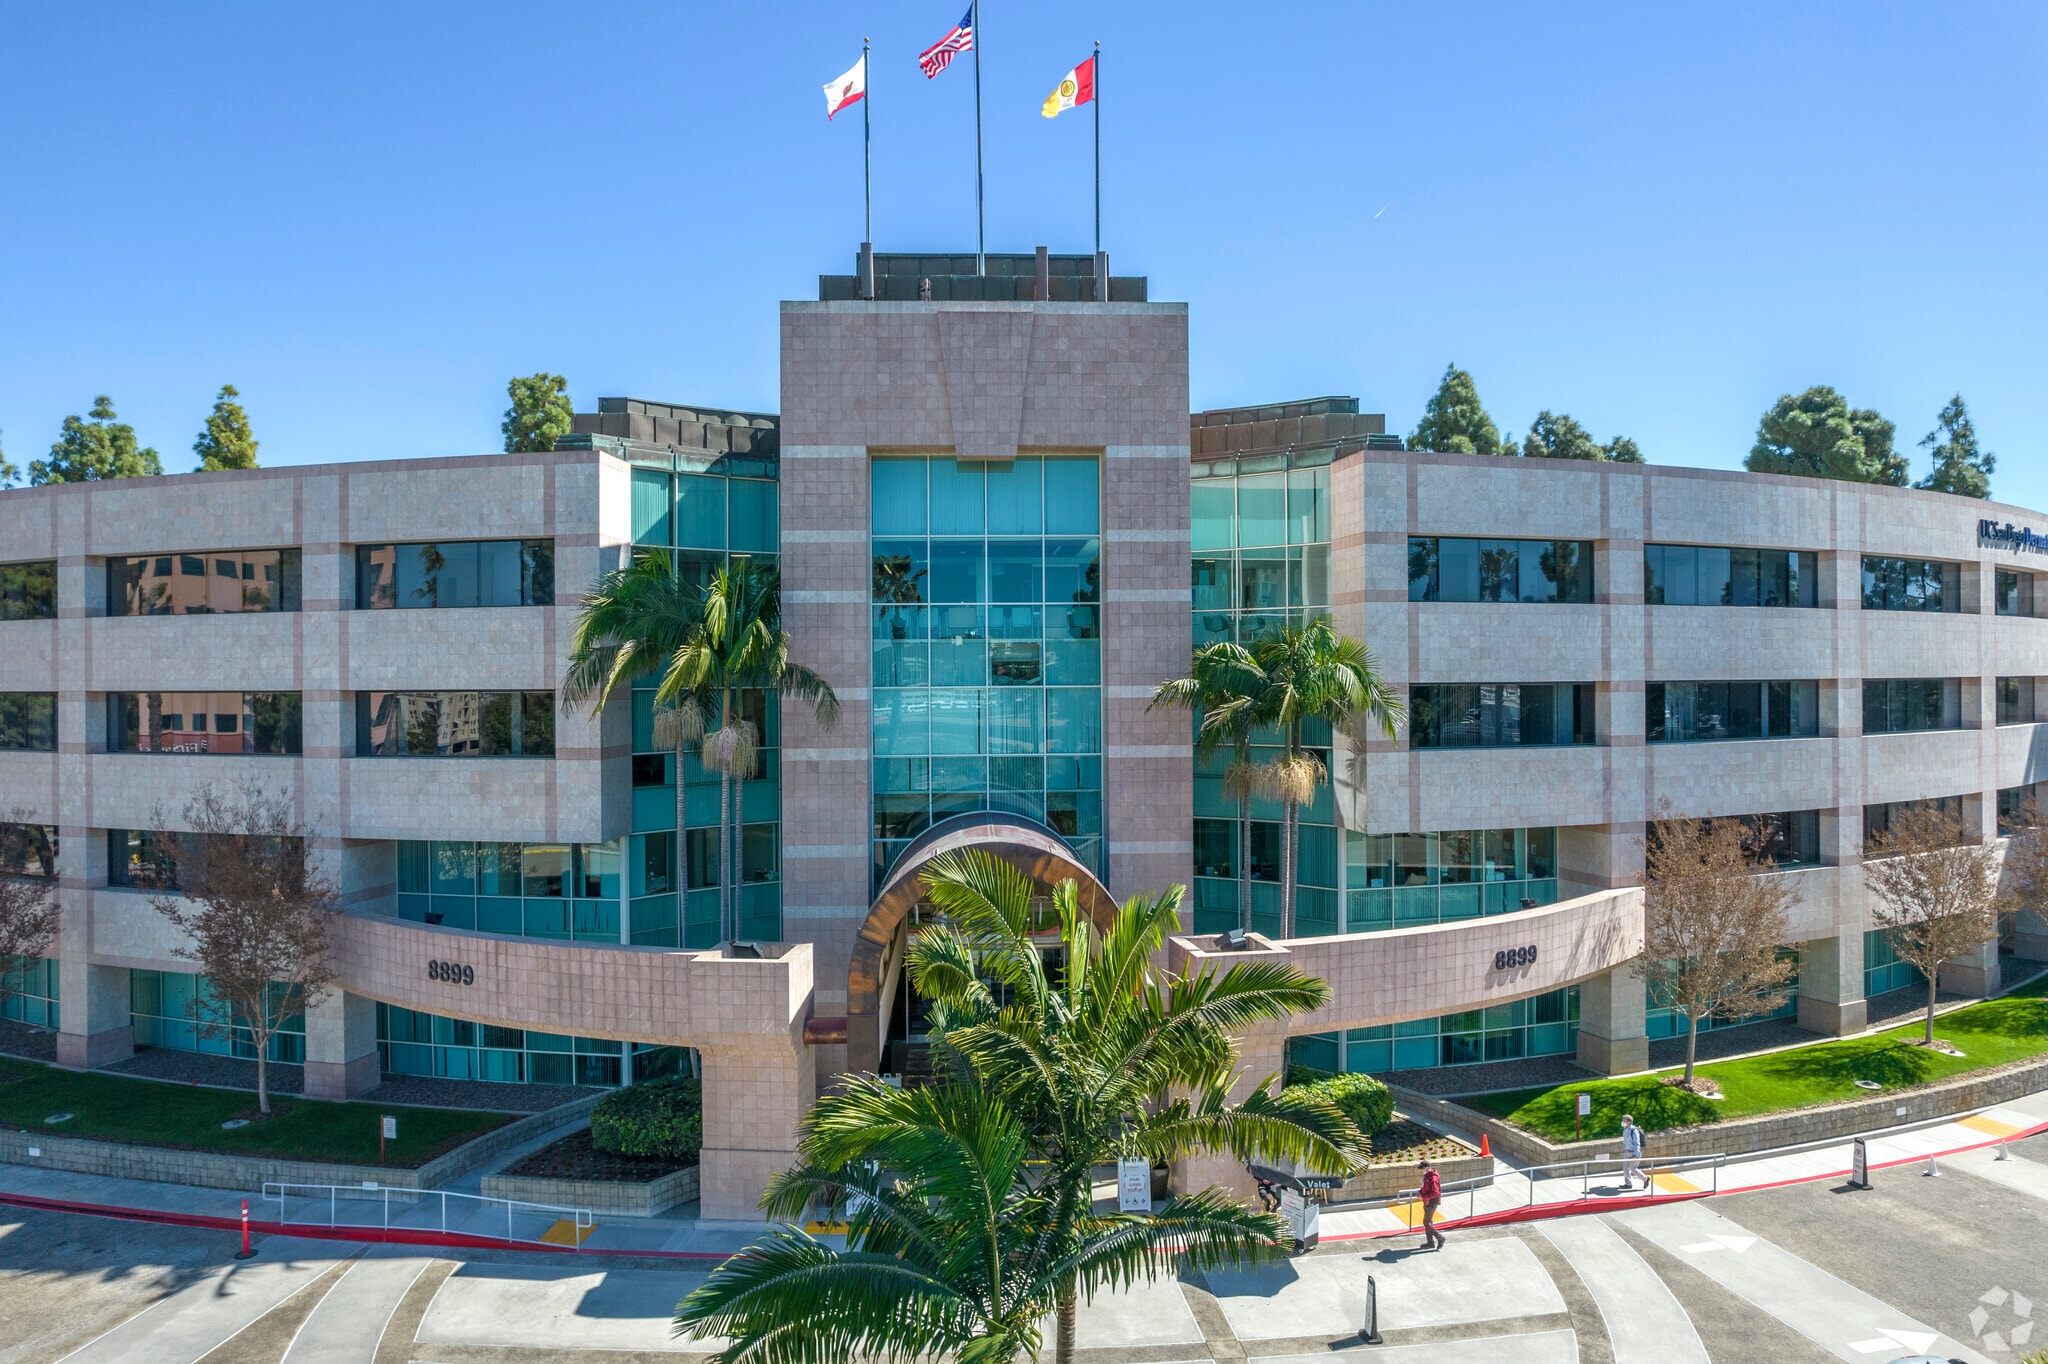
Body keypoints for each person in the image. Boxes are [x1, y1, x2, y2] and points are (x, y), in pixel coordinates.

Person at [1417, 1157, 1444, 1250]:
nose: (1422, 1170)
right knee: (1428, 1221)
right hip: (1429, 1201)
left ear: (1427, 1167)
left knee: (1426, 1222)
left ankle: (1439, 1238)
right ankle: (1430, 1242)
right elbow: (1424, 1186)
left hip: (1431, 1202)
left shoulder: (1432, 1178)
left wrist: (1423, 1197)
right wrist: (1420, 1192)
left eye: (1422, 1168)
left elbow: (1435, 1192)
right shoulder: (1428, 1175)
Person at [1619, 1114, 1644, 1191]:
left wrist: (1636, 1154)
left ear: (1629, 1121)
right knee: (1625, 1168)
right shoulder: (1625, 1129)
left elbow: (1637, 1143)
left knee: (1633, 1169)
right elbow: (1625, 1141)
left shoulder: (1634, 1130)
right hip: (1627, 1152)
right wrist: (1624, 1148)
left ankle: (1645, 1179)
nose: (1622, 1122)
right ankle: (1628, 1184)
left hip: (1634, 1152)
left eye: (1624, 1120)